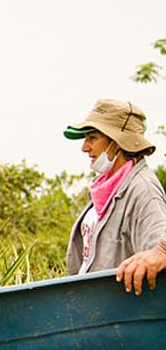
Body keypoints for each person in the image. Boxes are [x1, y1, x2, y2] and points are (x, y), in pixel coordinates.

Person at [64, 99, 166, 275]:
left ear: (118, 142)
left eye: (92, 138)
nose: (84, 147)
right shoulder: (107, 187)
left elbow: (157, 255)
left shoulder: (144, 190)